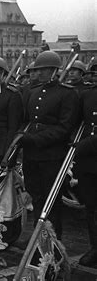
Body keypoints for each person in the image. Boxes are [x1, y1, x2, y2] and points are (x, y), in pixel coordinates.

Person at [19, 50, 79, 240]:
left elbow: (65, 127)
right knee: (36, 196)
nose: (40, 73)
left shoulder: (67, 94)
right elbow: (26, 121)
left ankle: (52, 243)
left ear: (55, 70)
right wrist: (23, 137)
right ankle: (39, 238)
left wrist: (36, 139)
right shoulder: (33, 92)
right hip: (31, 154)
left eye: (45, 69)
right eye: (38, 69)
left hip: (52, 155)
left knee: (51, 200)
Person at [73, 83, 97, 267]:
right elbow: (76, 122)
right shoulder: (87, 95)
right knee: (92, 206)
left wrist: (85, 144)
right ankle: (95, 247)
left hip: (89, 148)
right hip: (89, 161)